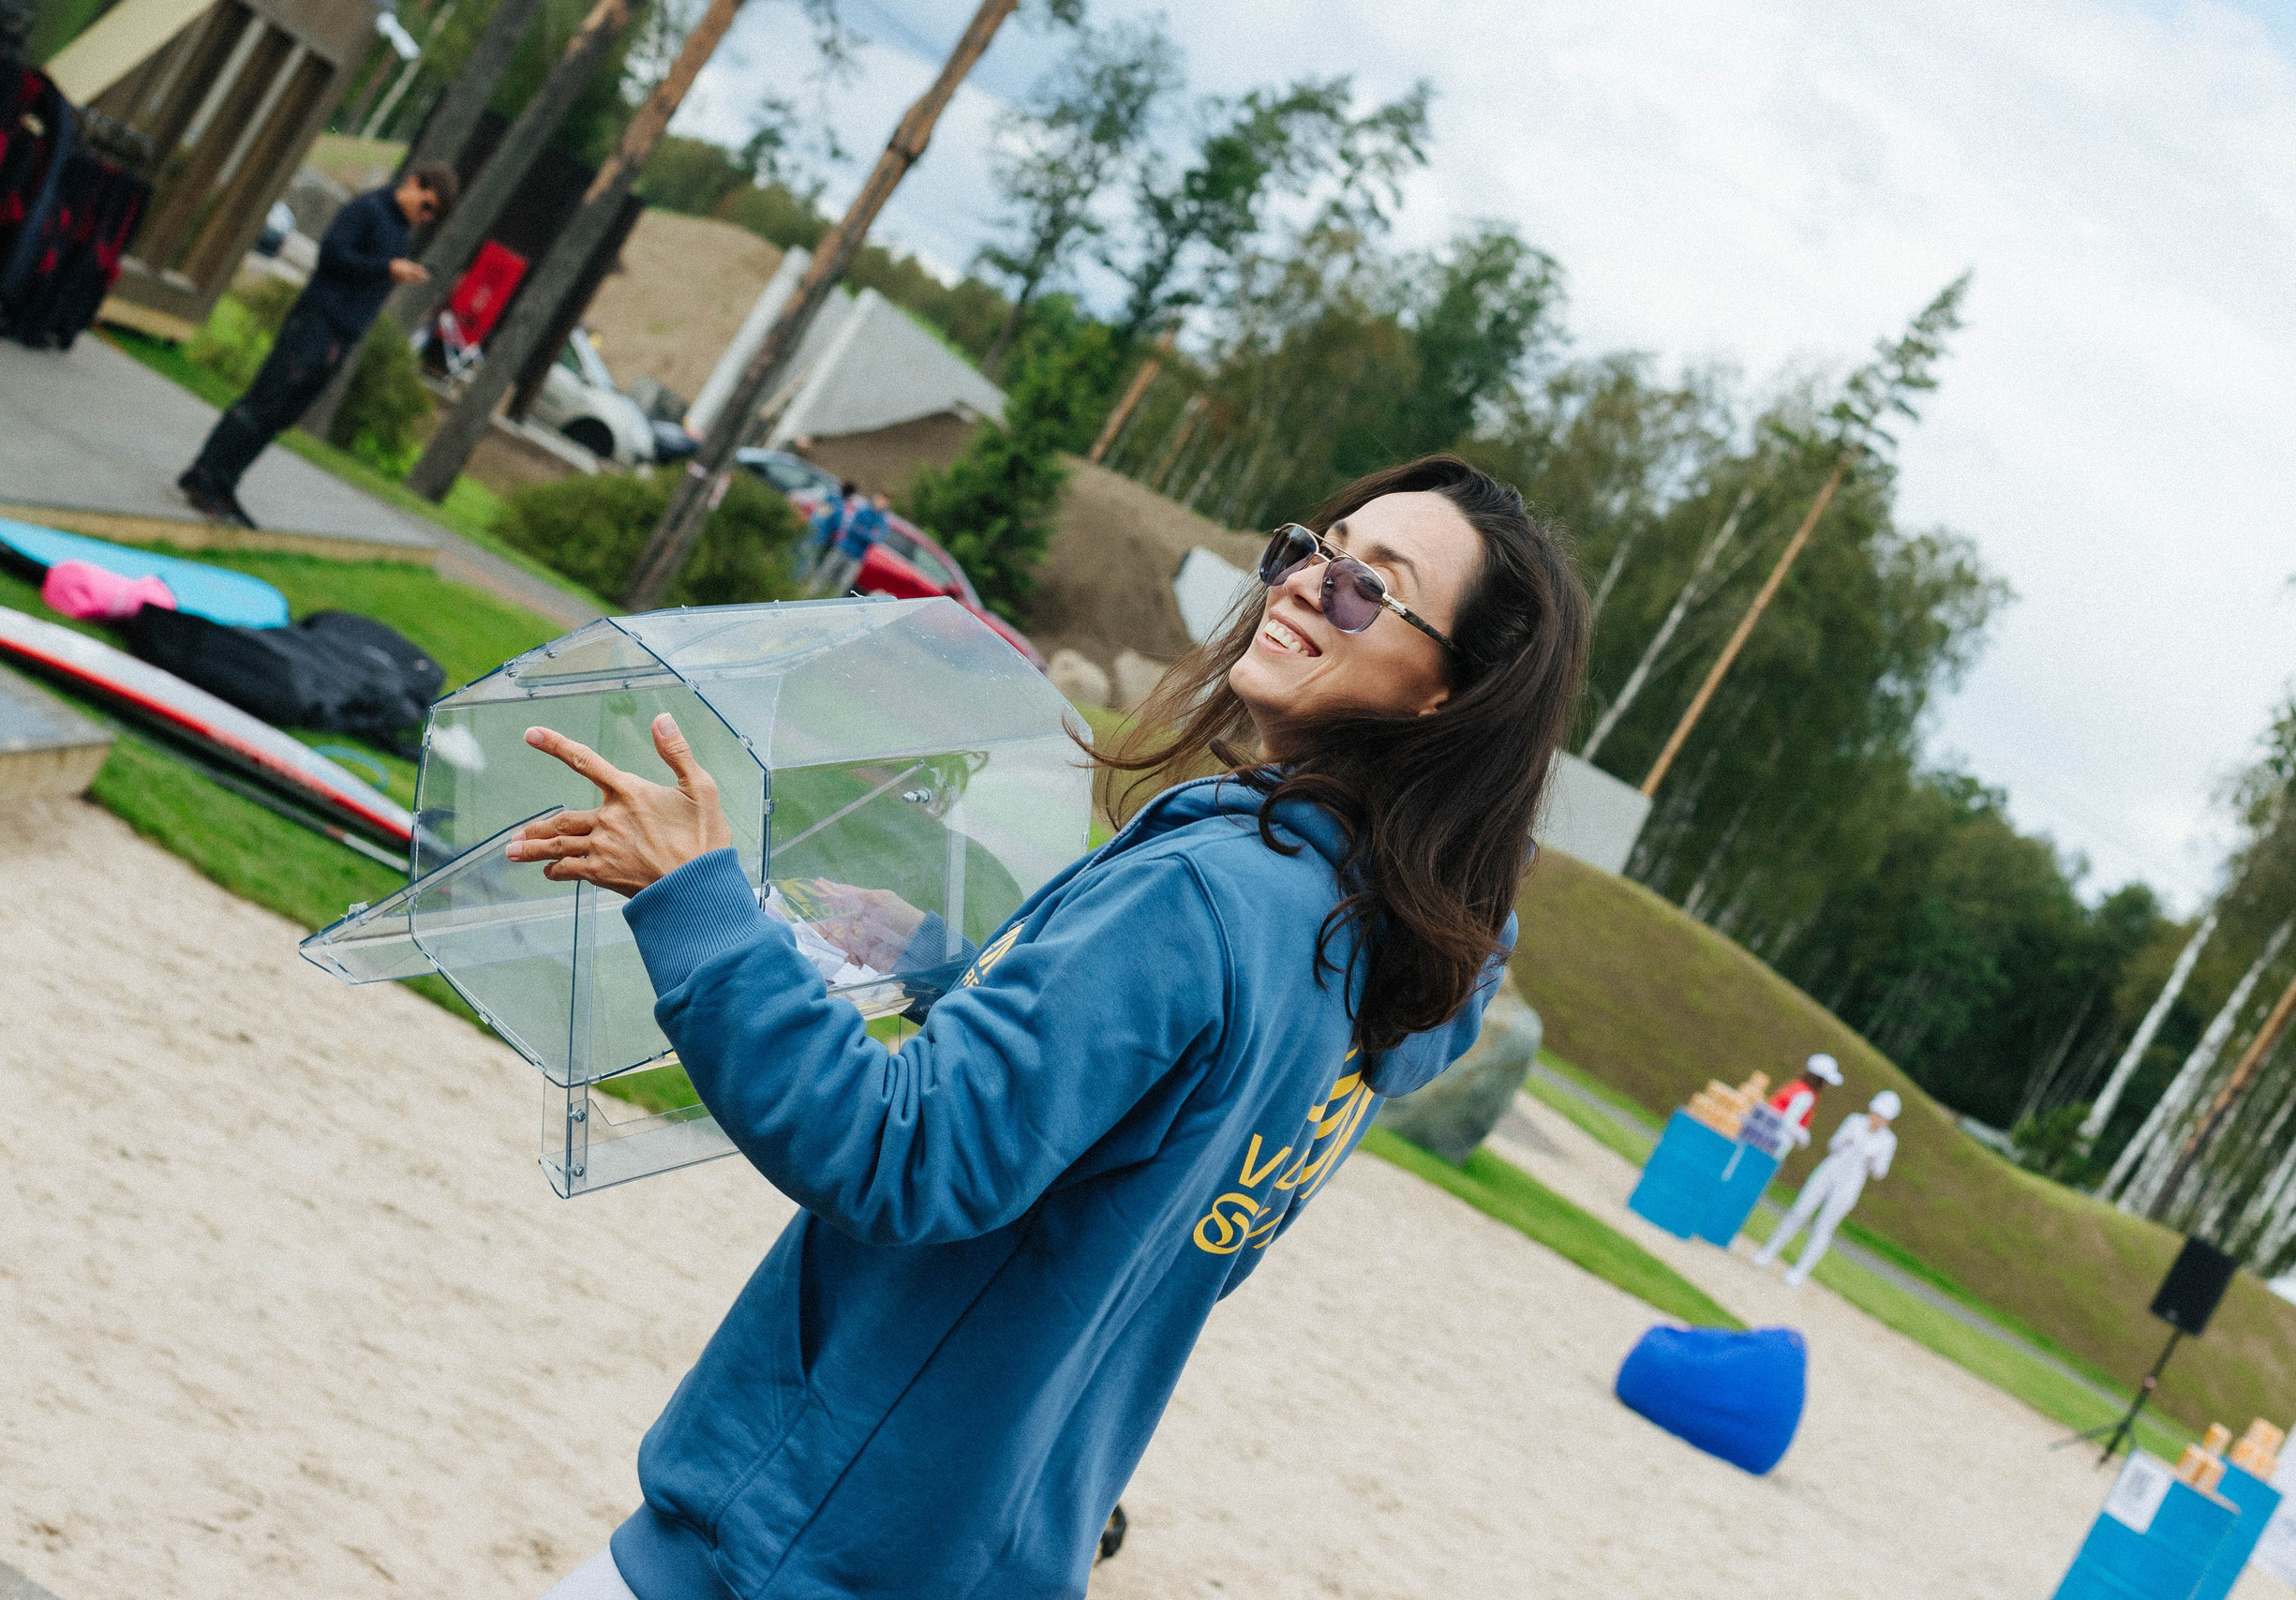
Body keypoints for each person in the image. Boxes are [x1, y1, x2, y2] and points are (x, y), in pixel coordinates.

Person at [501, 454, 1590, 1599]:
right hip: (983, 1549)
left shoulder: (1210, 895)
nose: (1310, 583)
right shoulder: (1377, 948)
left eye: (1372, 586)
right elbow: (1157, 1170)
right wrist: (950, 970)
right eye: (1313, 549)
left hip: (804, 1542)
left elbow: (899, 1153)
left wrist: (700, 907)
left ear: (1446, 695)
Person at [178, 163, 455, 527]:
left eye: (433, 214)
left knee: (282, 414)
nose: (425, 217)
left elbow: (368, 273)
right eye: (427, 205)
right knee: (265, 401)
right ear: (414, 182)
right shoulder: (368, 208)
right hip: (315, 322)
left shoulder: (401, 231)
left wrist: (392, 272)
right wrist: (386, 269)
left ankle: (225, 483)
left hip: (342, 334)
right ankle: (202, 475)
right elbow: (332, 256)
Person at [1752, 1088, 1901, 1286]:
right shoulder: (1855, 1120)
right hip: (1829, 1171)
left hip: (1851, 1183)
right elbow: (1833, 1145)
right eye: (1877, 1113)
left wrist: (1872, 1159)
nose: (1877, 1118)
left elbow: (1880, 1173)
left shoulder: (1888, 1141)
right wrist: (1847, 1141)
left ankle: (1799, 1272)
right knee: (1799, 1211)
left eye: (1882, 1116)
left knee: (1824, 1227)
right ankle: (1768, 1252)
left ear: (1888, 1121)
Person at [807, 488, 889, 596]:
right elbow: (852, 528)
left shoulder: (882, 521)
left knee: (843, 584)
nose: (880, 503)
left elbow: (876, 539)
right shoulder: (862, 511)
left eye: (884, 502)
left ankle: (833, 601)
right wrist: (868, 533)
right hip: (844, 548)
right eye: (880, 500)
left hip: (857, 556)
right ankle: (810, 595)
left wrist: (862, 531)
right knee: (825, 573)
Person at [1767, 1052, 1841, 1149]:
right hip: (1774, 1141)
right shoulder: (1806, 1095)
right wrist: (1802, 1135)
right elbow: (1787, 1122)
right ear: (1820, 1080)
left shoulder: (1797, 1085)